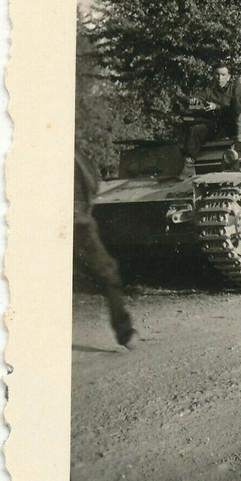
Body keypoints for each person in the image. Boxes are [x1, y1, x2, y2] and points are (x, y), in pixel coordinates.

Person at [74, 149, 137, 349]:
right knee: (109, 273)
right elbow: (92, 185)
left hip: (76, 220)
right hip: (78, 223)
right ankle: (124, 332)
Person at [180, 63, 241, 176]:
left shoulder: (235, 88)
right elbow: (197, 97)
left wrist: (217, 107)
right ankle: (189, 163)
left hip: (233, 125)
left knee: (238, 115)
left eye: (223, 75)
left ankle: (239, 149)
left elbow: (238, 107)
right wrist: (192, 100)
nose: (220, 78)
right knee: (196, 129)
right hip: (217, 125)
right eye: (217, 75)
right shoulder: (210, 91)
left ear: (229, 76)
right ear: (213, 76)